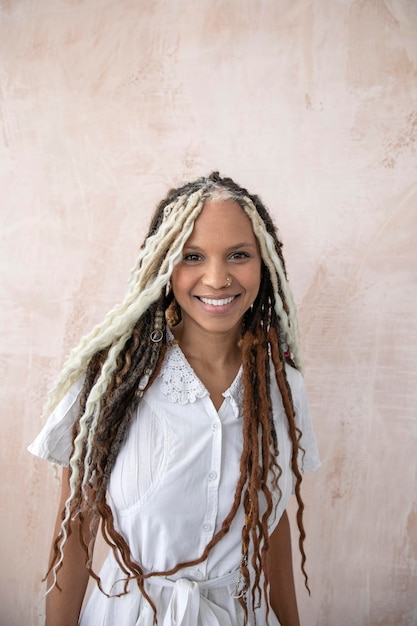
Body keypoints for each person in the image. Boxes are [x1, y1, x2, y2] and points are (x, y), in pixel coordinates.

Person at [29, 172, 320, 626]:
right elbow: (74, 537)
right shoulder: (111, 384)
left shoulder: (281, 387)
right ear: (164, 264)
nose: (217, 277)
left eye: (238, 255)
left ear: (265, 264)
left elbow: (272, 522)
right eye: (193, 256)